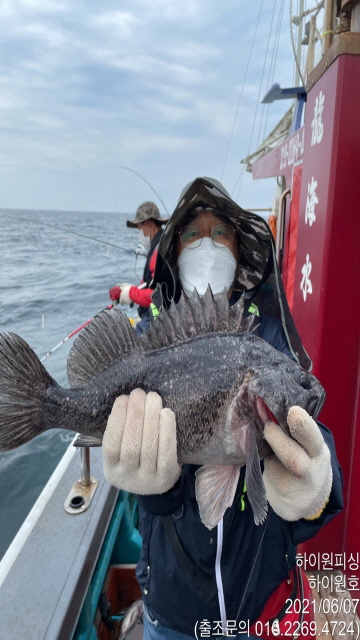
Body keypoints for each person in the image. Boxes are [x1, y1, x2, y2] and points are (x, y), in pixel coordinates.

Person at [102, 178, 343, 640]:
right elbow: (148, 490)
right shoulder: (146, 344)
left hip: (257, 610)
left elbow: (308, 426)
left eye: (220, 233)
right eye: (192, 234)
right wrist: (153, 488)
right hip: (171, 612)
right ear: (173, 253)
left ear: (239, 250)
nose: (206, 245)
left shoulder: (270, 339)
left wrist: (318, 483)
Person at [109, 201, 168, 335]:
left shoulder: (159, 252)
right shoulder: (161, 245)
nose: (139, 233)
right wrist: (131, 290)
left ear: (148, 223)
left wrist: (129, 294)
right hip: (159, 317)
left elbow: (159, 296)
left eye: (139, 228)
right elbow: (153, 285)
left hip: (157, 322)